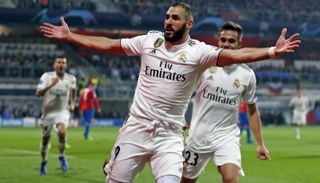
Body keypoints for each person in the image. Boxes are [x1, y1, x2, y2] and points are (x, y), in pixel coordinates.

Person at [40, 2, 299, 182]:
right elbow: (109, 44)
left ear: (189, 24)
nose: (168, 21)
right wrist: (72, 36)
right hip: (136, 129)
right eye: (167, 17)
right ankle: (115, 162)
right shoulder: (148, 41)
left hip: (170, 135)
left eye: (175, 18)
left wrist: (272, 51)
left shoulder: (199, 52)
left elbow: (236, 55)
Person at [181, 21, 271, 183]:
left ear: (239, 44)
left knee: (231, 179)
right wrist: (180, 116)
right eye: (223, 40)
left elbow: (252, 110)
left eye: (231, 41)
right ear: (218, 41)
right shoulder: (204, 66)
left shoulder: (247, 75)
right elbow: (183, 92)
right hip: (198, 136)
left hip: (226, 136)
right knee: (186, 180)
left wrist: (260, 144)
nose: (226, 44)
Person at [36, 56, 77, 176]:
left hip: (62, 112)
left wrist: (72, 103)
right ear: (54, 65)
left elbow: (73, 91)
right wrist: (51, 85)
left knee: (62, 132)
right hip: (48, 113)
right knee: (45, 140)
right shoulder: (47, 76)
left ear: (66, 65)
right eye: (59, 62)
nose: (61, 65)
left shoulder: (71, 79)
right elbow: (38, 93)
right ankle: (44, 162)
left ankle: (62, 156)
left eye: (63, 62)